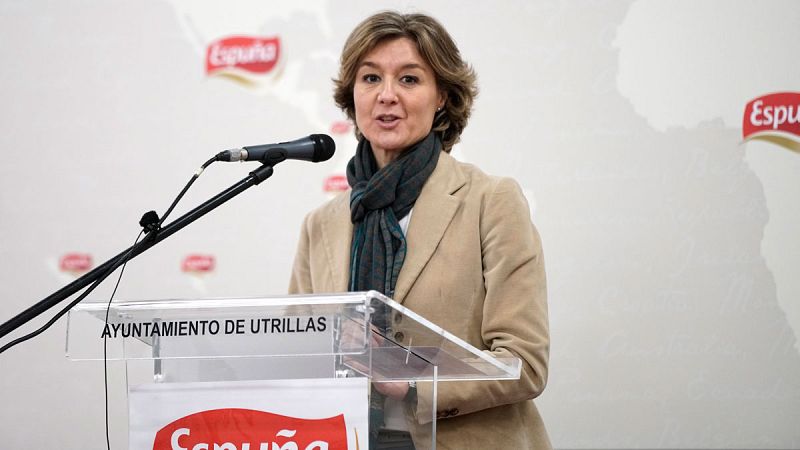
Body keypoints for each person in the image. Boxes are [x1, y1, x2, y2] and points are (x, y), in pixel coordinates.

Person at [289, 11, 550, 450]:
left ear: (442, 96)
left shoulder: (490, 201)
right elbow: (296, 352)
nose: (386, 95)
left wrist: (411, 380)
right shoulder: (322, 224)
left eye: (409, 79)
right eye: (370, 78)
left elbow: (524, 362)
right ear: (352, 95)